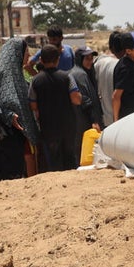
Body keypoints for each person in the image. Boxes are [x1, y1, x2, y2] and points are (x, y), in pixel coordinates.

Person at [0, 38, 42, 181]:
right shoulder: (4, 74)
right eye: (26, 52)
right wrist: (9, 115)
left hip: (15, 132)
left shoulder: (15, 74)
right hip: (6, 132)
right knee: (9, 172)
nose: (28, 55)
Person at [29, 44, 83, 172]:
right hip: (68, 125)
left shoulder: (36, 81)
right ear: (58, 59)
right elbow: (76, 99)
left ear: (41, 60)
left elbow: (33, 105)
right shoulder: (67, 77)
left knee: (54, 161)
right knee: (70, 157)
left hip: (48, 127)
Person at [95, 33, 126, 128]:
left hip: (105, 118)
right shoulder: (125, 67)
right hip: (122, 119)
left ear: (110, 47)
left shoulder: (99, 63)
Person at [69, 46, 103, 134]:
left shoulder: (84, 72)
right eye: (87, 59)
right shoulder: (80, 74)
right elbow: (85, 99)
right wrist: (94, 121)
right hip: (85, 121)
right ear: (79, 59)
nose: (91, 62)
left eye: (91, 58)